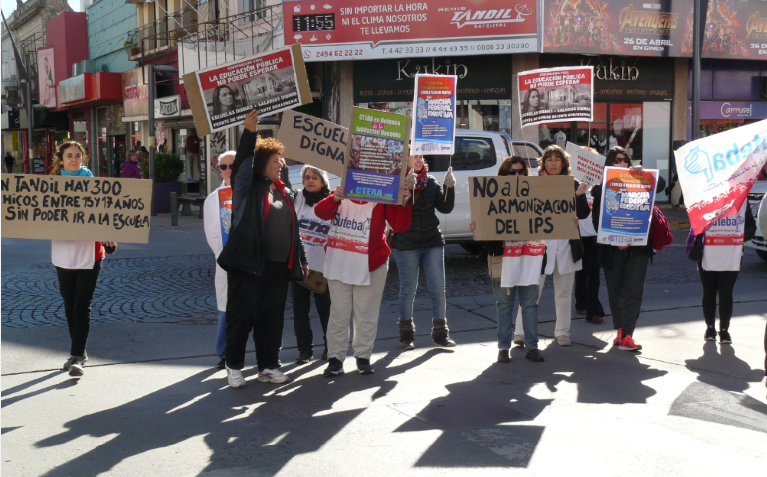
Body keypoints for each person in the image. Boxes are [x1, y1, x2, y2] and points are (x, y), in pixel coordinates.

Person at [216, 110, 308, 388]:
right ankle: (234, 366)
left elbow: (294, 229)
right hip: (249, 263)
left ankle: (268, 366)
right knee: (242, 316)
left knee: (272, 318)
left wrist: (301, 259)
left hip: (278, 267)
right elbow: (243, 161)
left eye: (282, 161)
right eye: (276, 161)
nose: (281, 165)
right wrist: (249, 132)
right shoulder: (247, 186)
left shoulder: (285, 190)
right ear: (262, 163)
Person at [315, 182, 412, 376]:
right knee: (339, 313)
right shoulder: (342, 190)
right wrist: (334, 198)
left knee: (366, 313)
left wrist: (403, 203)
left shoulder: (383, 195)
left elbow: (400, 225)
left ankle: (363, 356)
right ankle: (335, 358)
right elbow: (321, 212)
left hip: (372, 263)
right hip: (341, 262)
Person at [590, 146, 666, 351]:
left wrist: (644, 174)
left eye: (625, 160)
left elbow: (662, 185)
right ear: (609, 164)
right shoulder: (600, 188)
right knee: (616, 292)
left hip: (638, 250)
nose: (623, 163)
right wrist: (616, 240)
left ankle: (628, 335)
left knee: (633, 292)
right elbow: (597, 220)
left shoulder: (639, 179)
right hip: (612, 250)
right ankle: (620, 331)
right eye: (617, 160)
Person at [51, 141, 116, 377]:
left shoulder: (94, 184)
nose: (74, 160)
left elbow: (107, 214)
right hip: (63, 254)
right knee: (69, 306)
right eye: (69, 156)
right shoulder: (50, 188)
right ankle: (78, 352)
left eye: (78, 156)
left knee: (81, 306)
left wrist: (109, 237)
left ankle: (77, 356)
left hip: (90, 254)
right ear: (61, 160)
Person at [513, 145, 590, 347]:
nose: (553, 163)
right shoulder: (535, 183)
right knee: (531, 291)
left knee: (563, 293)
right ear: (543, 163)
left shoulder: (572, 183)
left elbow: (583, 215)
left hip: (566, 247)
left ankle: (562, 332)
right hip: (539, 247)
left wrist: (580, 196)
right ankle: (520, 331)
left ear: (564, 162)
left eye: (557, 159)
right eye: (549, 159)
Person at [472, 156, 546, 363]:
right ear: (504, 175)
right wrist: (478, 228)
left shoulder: (536, 194)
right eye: (512, 172)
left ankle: (532, 347)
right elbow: (485, 226)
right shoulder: (492, 197)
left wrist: (566, 220)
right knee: (504, 304)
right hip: (503, 257)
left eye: (521, 171)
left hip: (530, 256)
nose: (517, 175)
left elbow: (551, 215)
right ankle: (503, 348)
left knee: (530, 304)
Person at [392, 154, 456, 350]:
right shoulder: (396, 180)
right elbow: (393, 212)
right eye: (414, 156)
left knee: (438, 288)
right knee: (408, 290)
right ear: (406, 159)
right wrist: (405, 191)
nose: (419, 160)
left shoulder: (431, 181)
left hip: (432, 241)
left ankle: (441, 333)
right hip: (406, 242)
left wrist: (449, 188)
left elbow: (445, 208)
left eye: (421, 157)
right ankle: (406, 335)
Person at [688, 202, 755, 344]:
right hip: (708, 254)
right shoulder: (705, 200)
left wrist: (738, 236)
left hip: (732, 255)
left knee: (726, 292)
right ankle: (710, 328)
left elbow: (751, 227)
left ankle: (724, 330)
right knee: (709, 291)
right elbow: (696, 224)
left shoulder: (742, 201)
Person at [292, 165, 332, 363]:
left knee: (326, 311)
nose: (310, 180)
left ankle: (330, 347)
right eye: (307, 177)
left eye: (315, 177)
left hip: (323, 268)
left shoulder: (332, 201)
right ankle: (305, 351)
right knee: (300, 313)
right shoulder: (298, 198)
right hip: (299, 267)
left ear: (323, 180)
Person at [203, 150, 235, 370]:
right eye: (224, 167)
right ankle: (224, 353)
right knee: (226, 308)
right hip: (228, 263)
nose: (229, 170)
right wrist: (224, 258)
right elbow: (213, 234)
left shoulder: (254, 192)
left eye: (233, 165)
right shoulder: (214, 199)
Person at [574, 150, 605, 324]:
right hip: (579, 232)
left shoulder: (600, 186)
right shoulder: (574, 183)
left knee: (593, 272)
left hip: (594, 234)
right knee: (580, 270)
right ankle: (580, 302)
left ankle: (593, 308)